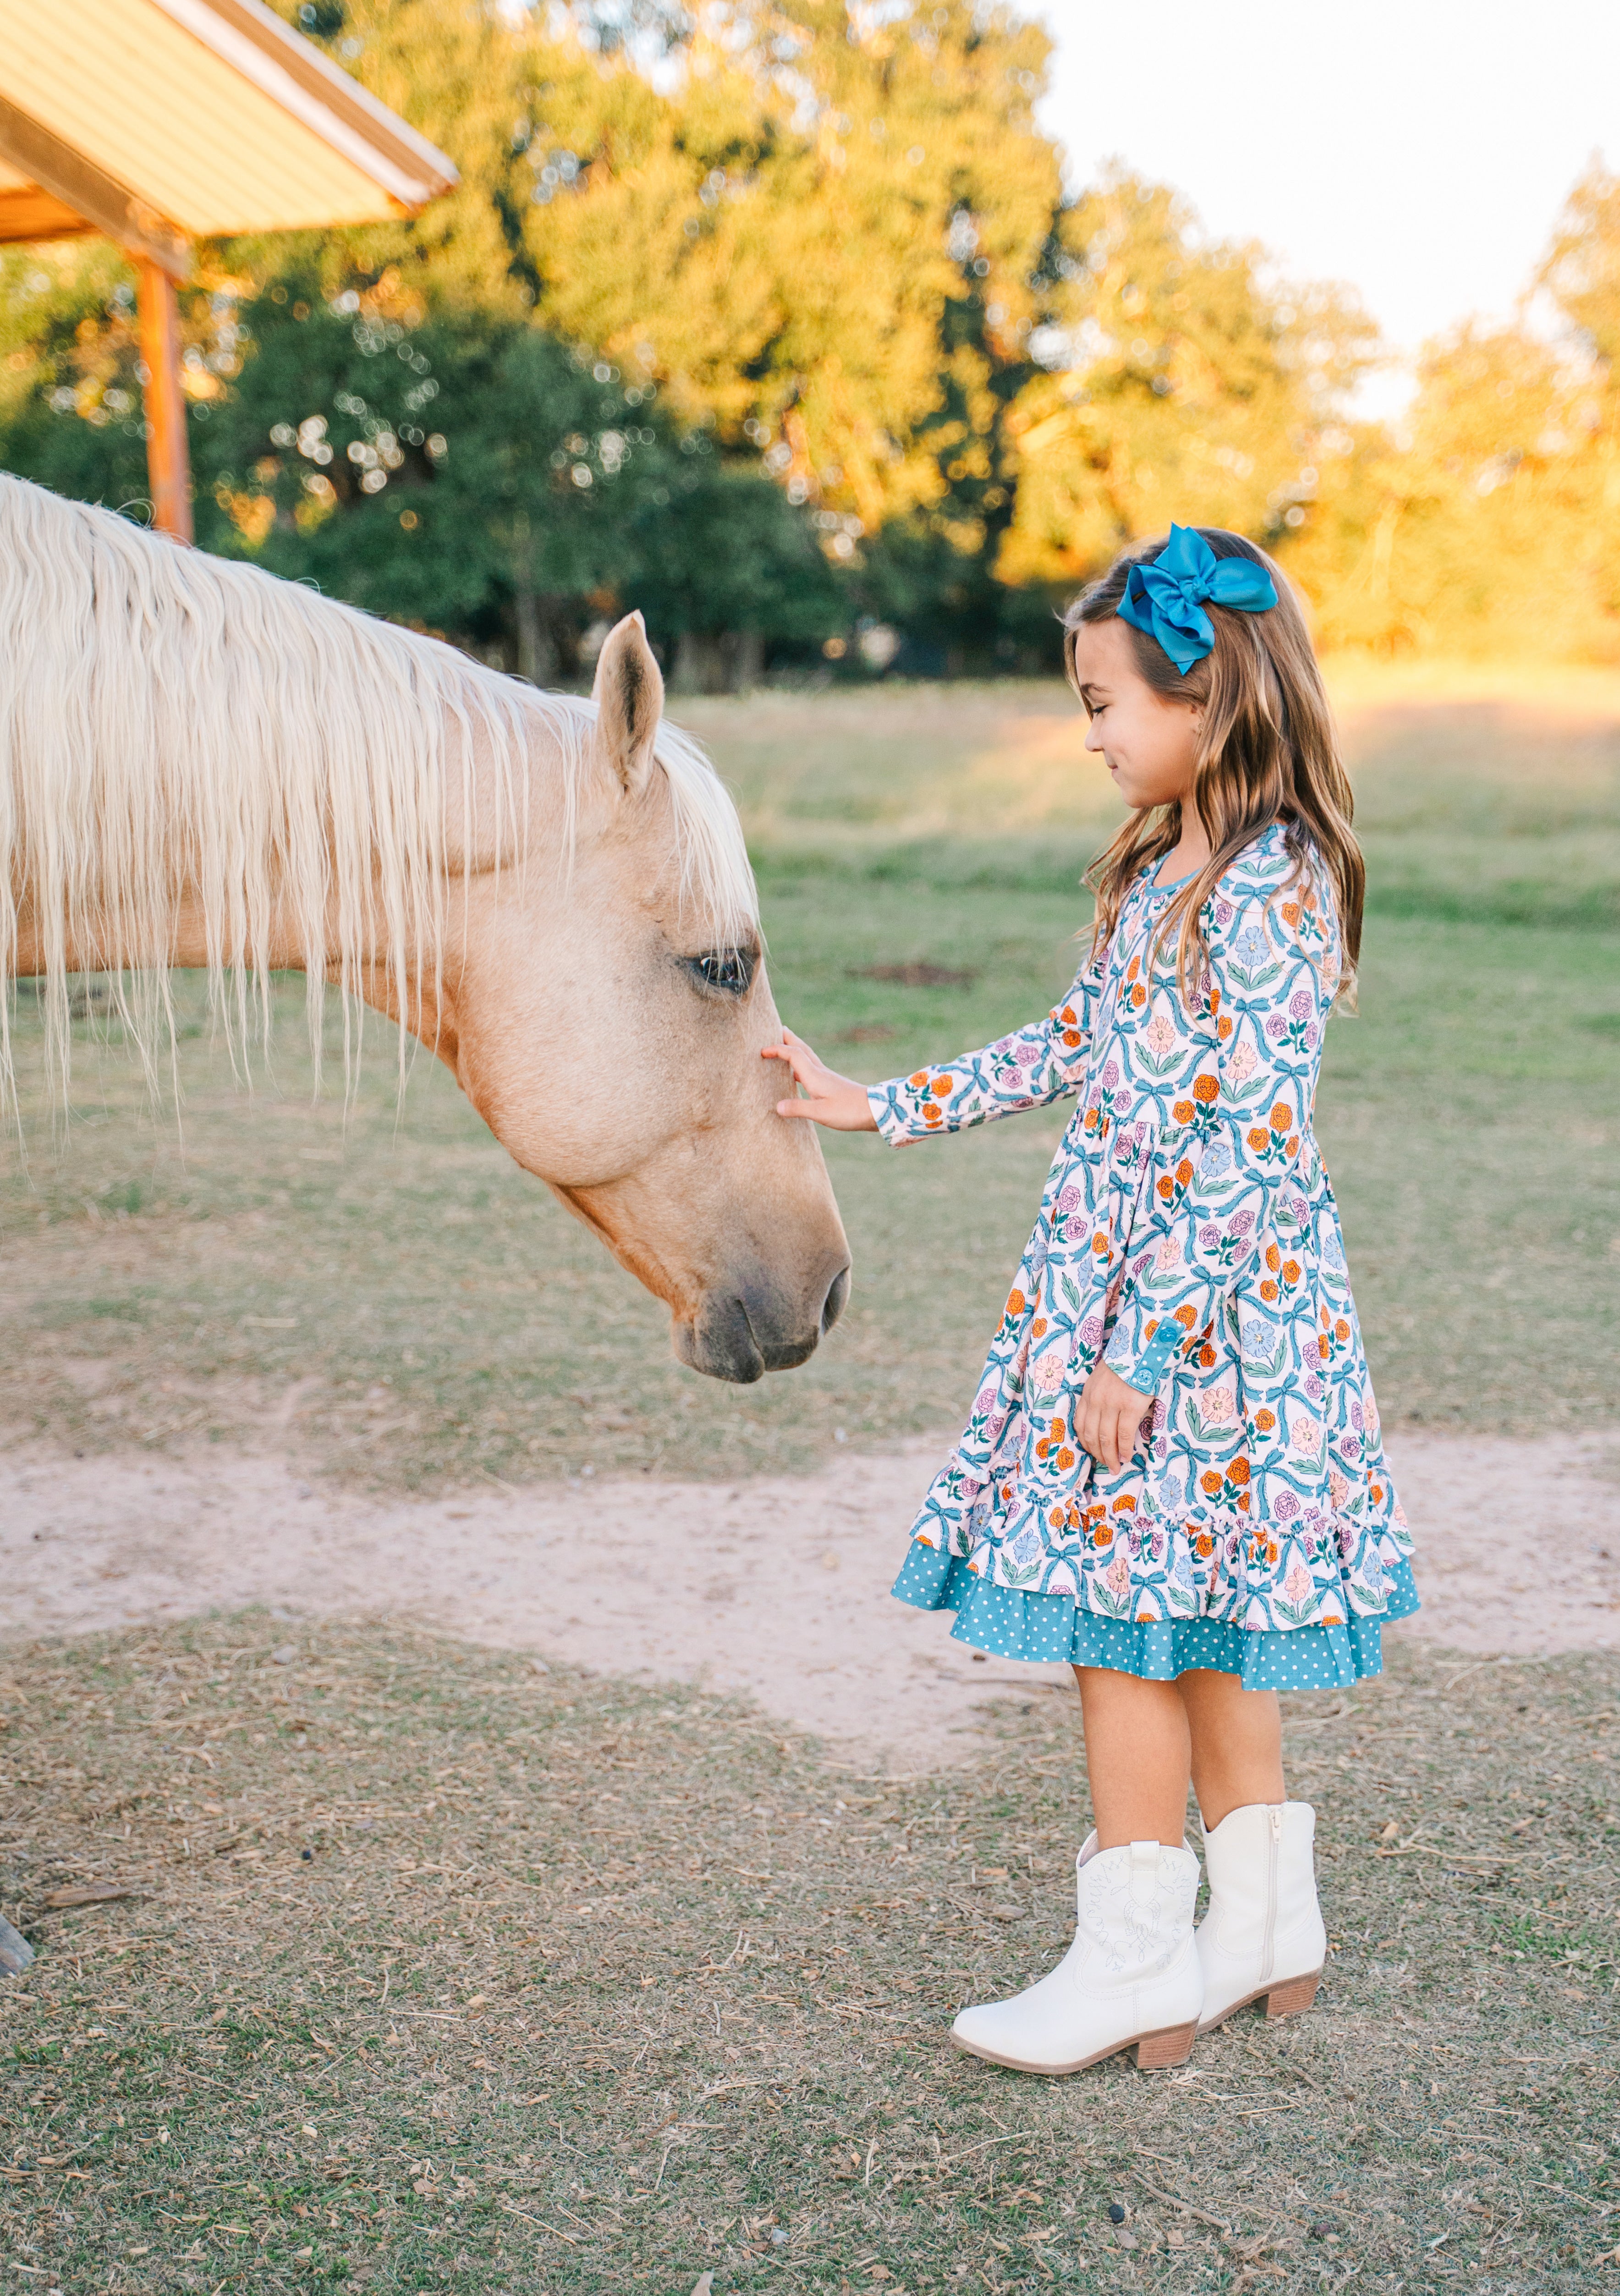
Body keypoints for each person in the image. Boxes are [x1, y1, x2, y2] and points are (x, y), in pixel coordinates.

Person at [763, 525, 1418, 2078]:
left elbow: (1255, 1138)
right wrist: (875, 1102)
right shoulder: (1162, 865)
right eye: (1086, 703)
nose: (1093, 732)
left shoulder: (1278, 883)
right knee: (1191, 1614)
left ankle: (1134, 1959)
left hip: (1202, 1321)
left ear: (1215, 696)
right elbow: (1076, 1046)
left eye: (1109, 699)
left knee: (1123, 1623)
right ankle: (1263, 1921)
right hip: (1122, 1293)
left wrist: (1139, 1343)